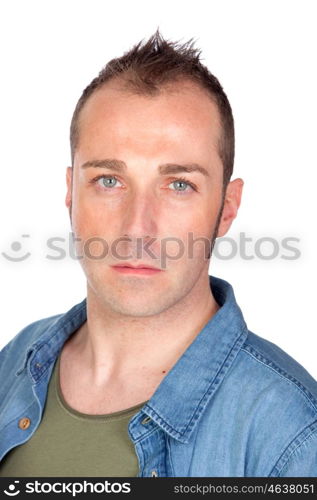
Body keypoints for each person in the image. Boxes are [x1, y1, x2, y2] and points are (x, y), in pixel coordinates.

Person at [0, 30, 316, 478]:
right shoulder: (16, 362)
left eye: (179, 185)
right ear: (70, 193)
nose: (136, 228)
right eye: (109, 180)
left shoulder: (292, 434)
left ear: (226, 208)